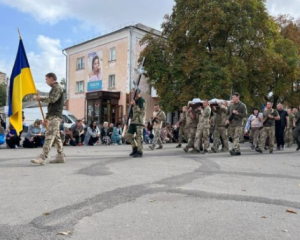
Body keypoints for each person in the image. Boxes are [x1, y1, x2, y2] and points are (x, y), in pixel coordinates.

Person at [31, 72, 65, 165]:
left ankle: (43, 157)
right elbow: (52, 105)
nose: (46, 81)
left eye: (46, 79)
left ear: (52, 78)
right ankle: (60, 156)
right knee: (57, 137)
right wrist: (46, 118)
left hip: (55, 116)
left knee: (49, 135)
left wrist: (40, 98)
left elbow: (52, 99)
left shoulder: (57, 87)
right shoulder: (54, 88)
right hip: (53, 115)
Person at [125, 89, 146, 158]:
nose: (131, 95)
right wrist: (128, 117)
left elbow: (141, 110)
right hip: (133, 121)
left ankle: (140, 152)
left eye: (132, 94)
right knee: (128, 135)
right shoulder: (134, 101)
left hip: (139, 121)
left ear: (136, 93)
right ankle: (135, 148)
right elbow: (132, 112)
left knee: (139, 137)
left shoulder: (142, 100)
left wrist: (134, 105)